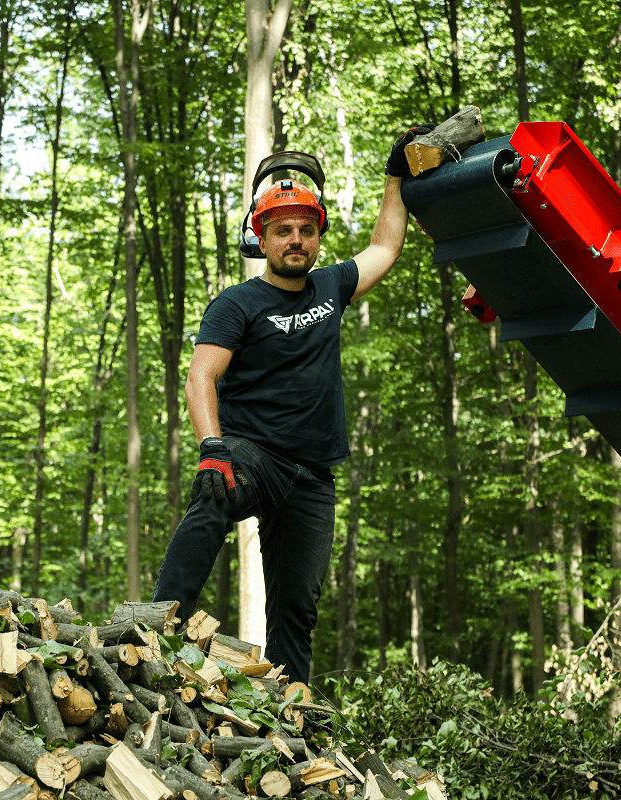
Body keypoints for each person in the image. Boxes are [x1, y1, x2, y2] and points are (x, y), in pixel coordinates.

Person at [151, 125, 435, 683]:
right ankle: (156, 627)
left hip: (312, 478)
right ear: (262, 237)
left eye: (306, 230)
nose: (296, 240)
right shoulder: (238, 303)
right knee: (214, 491)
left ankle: (287, 715)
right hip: (253, 454)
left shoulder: (331, 288)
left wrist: (395, 174)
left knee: (297, 612)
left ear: (318, 237)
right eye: (283, 231)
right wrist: (212, 446)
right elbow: (200, 377)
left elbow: (385, 246)